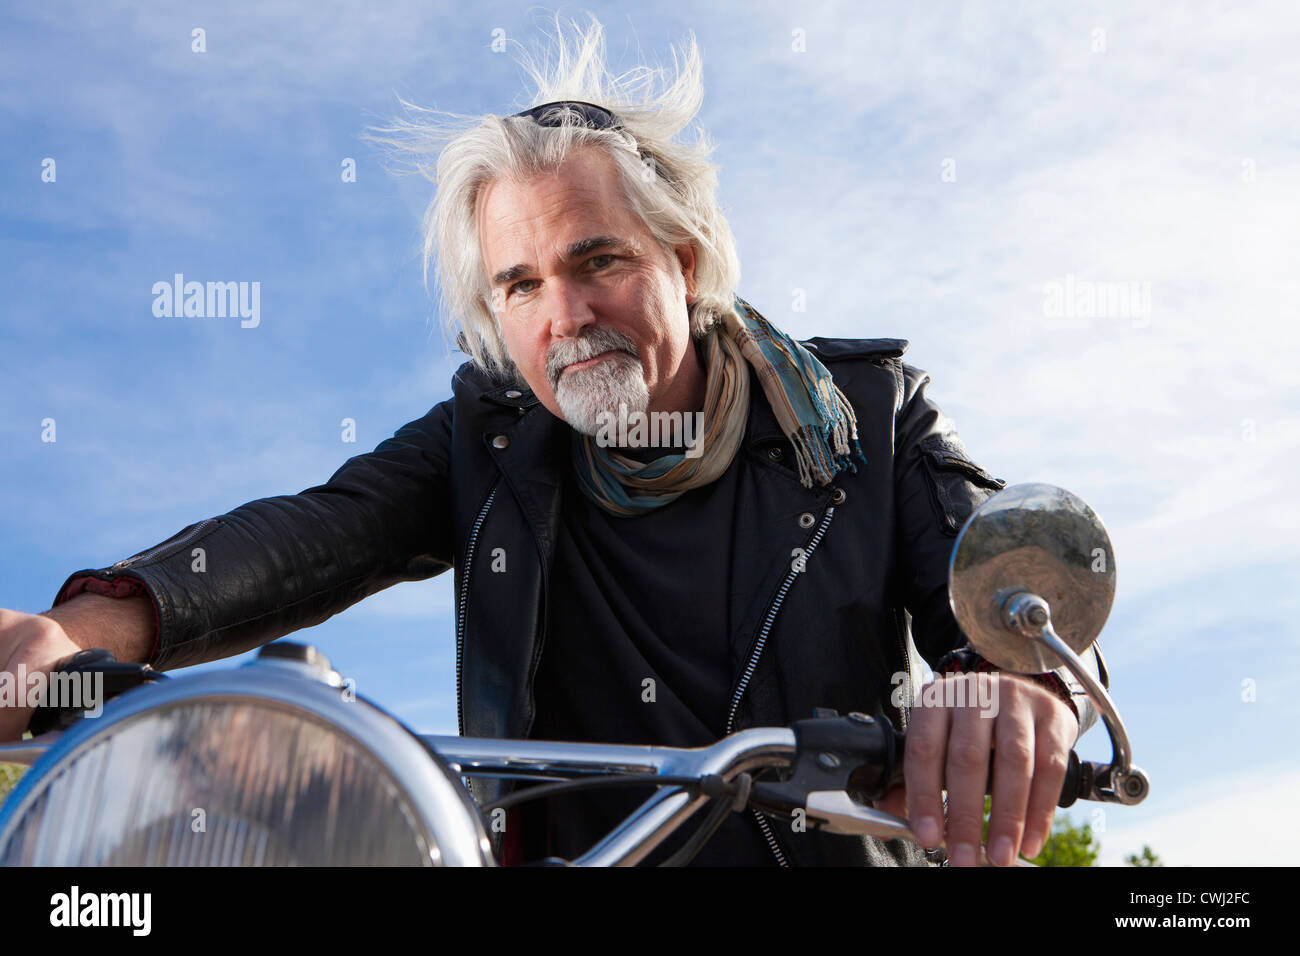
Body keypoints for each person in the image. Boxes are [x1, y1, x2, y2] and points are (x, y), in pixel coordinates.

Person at [0, 16, 1106, 867]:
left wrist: (1014, 683)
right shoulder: (487, 441)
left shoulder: (864, 411)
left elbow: (1003, 589)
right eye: (519, 283)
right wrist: (77, 627)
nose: (562, 315)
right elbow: (317, 531)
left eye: (596, 260)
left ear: (682, 256)